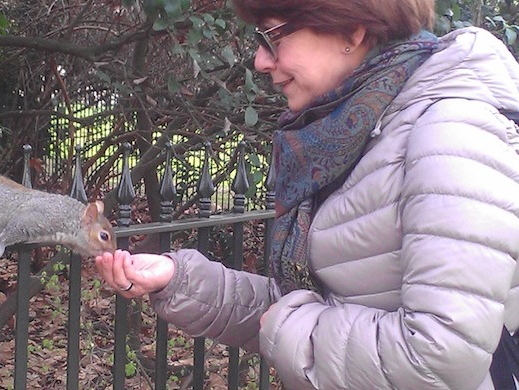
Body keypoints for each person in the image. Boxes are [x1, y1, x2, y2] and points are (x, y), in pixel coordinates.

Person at [95, 0, 519, 388]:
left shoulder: (450, 134)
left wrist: (289, 327)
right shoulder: (350, 133)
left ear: (352, 30)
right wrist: (181, 281)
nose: (260, 60)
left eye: (272, 35)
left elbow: (441, 357)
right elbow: (310, 305)